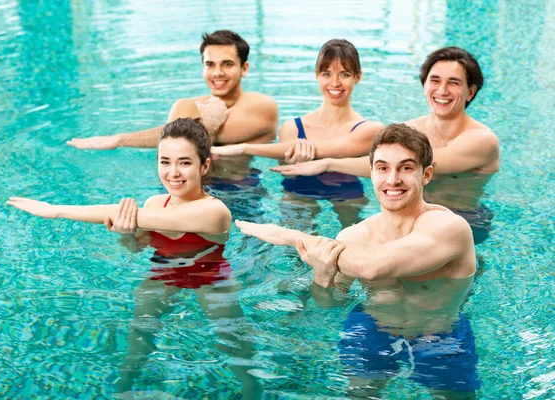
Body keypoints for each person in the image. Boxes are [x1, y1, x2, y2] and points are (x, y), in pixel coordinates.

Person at [8, 118, 260, 398]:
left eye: (185, 163)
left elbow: (135, 214)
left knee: (235, 344)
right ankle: (124, 390)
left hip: (210, 276)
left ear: (205, 166)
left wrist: (55, 210)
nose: (173, 173)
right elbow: (136, 246)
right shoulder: (155, 203)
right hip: (165, 270)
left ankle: (252, 390)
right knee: (138, 337)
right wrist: (126, 234)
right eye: (165, 162)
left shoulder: (215, 211)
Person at [236, 124, 481, 397]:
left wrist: (294, 237)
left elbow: (373, 266)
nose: (393, 179)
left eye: (406, 168)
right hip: (373, 327)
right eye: (383, 168)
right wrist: (322, 277)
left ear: (427, 175)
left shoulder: (449, 227)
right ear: (372, 173)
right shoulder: (353, 235)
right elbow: (329, 304)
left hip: (439, 333)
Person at [272, 46, 499, 243]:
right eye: (435, 80)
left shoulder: (481, 140)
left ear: (470, 92)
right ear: (424, 85)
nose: (442, 90)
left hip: (462, 219)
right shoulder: (411, 130)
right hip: (410, 216)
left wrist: (328, 164)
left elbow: (423, 163)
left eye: (454, 83)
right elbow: (386, 165)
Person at [212, 39, 384, 228]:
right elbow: (287, 173)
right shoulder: (293, 128)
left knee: (354, 239)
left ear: (357, 77)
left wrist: (244, 148)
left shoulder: (369, 130)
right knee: (292, 246)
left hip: (347, 191)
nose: (335, 83)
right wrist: (292, 163)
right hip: (299, 189)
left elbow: (324, 150)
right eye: (327, 74)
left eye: (344, 74)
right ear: (317, 75)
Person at [66, 30, 278, 149]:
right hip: (185, 189)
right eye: (209, 64)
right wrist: (119, 139)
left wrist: (209, 126)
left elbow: (185, 143)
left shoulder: (261, 106)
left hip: (241, 190)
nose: (217, 73)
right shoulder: (189, 105)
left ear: (245, 68)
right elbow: (173, 145)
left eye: (227, 64)